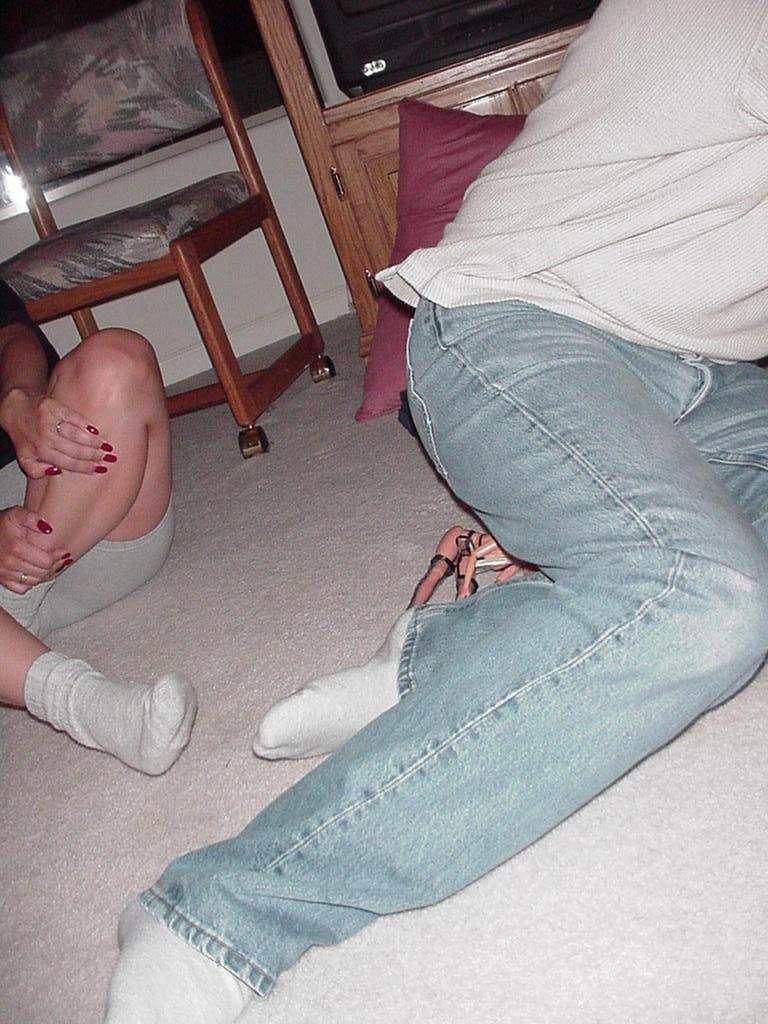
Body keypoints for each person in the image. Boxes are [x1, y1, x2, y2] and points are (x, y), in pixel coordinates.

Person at [103, 0, 768, 1019]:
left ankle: (446, 658)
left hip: (712, 377)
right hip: (518, 324)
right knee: (700, 600)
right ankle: (225, 910)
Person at [0, 279, 197, 774]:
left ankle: (15, 595)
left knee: (118, 362)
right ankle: (96, 708)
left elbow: (13, 337)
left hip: (72, 509)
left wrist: (17, 402)